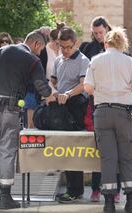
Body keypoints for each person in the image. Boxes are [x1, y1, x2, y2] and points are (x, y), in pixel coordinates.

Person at [0, 29, 52, 209]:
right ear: (36, 44)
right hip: (10, 107)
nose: (40, 53)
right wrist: (53, 95)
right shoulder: (33, 60)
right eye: (40, 50)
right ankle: (4, 198)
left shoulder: (2, 50)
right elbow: (42, 87)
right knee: (7, 151)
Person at [84, 27, 132, 213]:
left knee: (108, 158)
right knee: (127, 158)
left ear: (106, 43)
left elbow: (87, 87)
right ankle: (131, 201)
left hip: (102, 113)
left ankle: (109, 203)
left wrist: (103, 93)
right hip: (124, 113)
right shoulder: (129, 61)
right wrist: (128, 100)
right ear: (122, 43)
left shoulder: (95, 60)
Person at [80, 16, 122, 203]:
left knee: (117, 150)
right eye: (95, 33)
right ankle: (96, 189)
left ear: (107, 30)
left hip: (116, 103)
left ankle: (116, 190)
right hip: (94, 104)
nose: (98, 36)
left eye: (100, 33)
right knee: (98, 148)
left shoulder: (120, 49)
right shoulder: (87, 49)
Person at [45, 27, 90, 203]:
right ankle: (72, 188)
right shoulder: (58, 60)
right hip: (60, 106)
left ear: (75, 43)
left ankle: (75, 190)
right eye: (61, 47)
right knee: (64, 149)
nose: (64, 51)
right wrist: (53, 92)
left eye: (68, 47)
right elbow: (52, 81)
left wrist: (68, 94)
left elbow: (83, 84)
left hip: (76, 106)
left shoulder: (84, 61)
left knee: (73, 149)